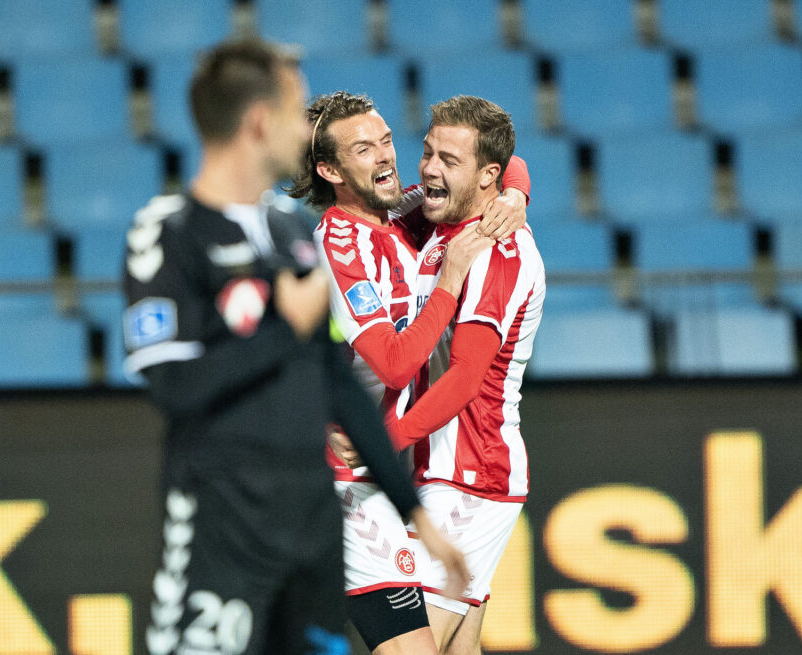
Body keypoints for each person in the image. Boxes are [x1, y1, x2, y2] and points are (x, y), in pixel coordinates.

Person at [122, 39, 467, 655]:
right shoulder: (167, 234)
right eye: (294, 110)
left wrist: (413, 513)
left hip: (312, 526)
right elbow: (176, 389)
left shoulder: (290, 234)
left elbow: (335, 382)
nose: (302, 128)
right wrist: (285, 329)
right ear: (259, 122)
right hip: (221, 524)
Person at [288, 91, 530, 654]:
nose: (386, 158)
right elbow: (395, 363)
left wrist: (514, 192)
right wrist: (450, 278)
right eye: (364, 149)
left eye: (388, 140)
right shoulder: (340, 243)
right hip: (345, 479)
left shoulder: (404, 211)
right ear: (329, 170)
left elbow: (494, 163)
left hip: (400, 477)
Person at [384, 95, 546, 655]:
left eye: (448, 160)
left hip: (471, 475)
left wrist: (384, 442)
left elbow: (465, 379)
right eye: (427, 152)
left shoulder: (496, 250)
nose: (428, 169)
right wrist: (516, 186)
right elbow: (503, 164)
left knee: (403, 648)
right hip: (448, 471)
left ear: (485, 177)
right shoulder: (431, 221)